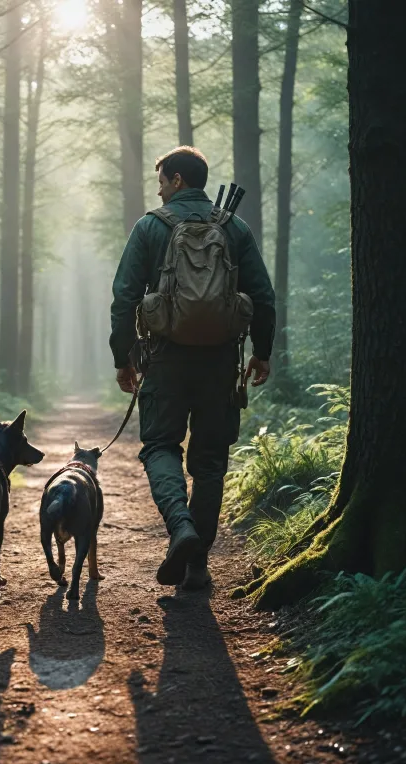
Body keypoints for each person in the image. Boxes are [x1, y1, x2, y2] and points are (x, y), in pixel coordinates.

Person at [109, 146, 275, 590]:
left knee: (160, 445)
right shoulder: (234, 227)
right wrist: (262, 351)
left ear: (178, 180)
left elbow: (124, 296)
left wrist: (122, 357)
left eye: (162, 179)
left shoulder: (149, 227)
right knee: (210, 460)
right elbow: (262, 294)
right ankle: (197, 561)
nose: (159, 189)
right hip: (221, 361)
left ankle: (180, 528)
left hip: (164, 358)